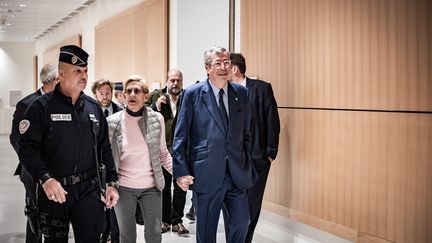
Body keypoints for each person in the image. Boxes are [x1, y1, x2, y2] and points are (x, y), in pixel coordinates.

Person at [18, 45, 119, 243]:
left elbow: (104, 148)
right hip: (55, 191)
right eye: (77, 71)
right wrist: (45, 179)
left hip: (88, 190)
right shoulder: (40, 108)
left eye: (86, 71)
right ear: (61, 74)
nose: (84, 76)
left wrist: (112, 183)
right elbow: (28, 150)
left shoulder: (93, 108)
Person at [173, 46, 257, 243]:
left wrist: (246, 161)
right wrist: (181, 171)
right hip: (206, 172)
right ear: (207, 67)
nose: (223, 67)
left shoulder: (241, 93)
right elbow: (180, 136)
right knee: (206, 231)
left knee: (241, 222)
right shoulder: (193, 94)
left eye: (226, 62)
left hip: (236, 173)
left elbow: (246, 133)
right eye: (218, 63)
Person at [107, 74, 172, 243]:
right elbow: (106, 158)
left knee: (154, 235)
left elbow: (163, 154)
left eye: (137, 91)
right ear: (123, 95)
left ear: (145, 96)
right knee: (127, 236)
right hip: (124, 187)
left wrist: (179, 174)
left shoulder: (157, 119)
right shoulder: (112, 122)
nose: (132, 94)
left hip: (151, 187)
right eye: (128, 91)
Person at [230, 53, 281, 243]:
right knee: (232, 208)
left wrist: (270, 154)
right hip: (232, 162)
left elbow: (272, 123)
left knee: (251, 208)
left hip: (257, 160)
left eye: (225, 65)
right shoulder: (223, 92)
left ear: (234, 68)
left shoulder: (261, 89)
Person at [9, 62, 58, 243]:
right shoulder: (27, 104)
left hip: (60, 171)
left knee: (57, 217)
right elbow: (17, 139)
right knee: (35, 216)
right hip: (34, 172)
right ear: (55, 79)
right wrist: (36, 164)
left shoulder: (64, 102)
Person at [148, 69, 189, 235]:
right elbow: (143, 114)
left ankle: (177, 221)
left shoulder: (188, 97)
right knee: (163, 188)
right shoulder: (156, 97)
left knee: (180, 188)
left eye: (178, 80)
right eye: (172, 80)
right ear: (167, 81)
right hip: (162, 151)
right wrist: (154, 106)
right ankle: (164, 221)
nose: (175, 83)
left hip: (182, 152)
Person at [91, 78, 122, 243]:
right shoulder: (91, 111)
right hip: (95, 164)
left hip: (115, 163)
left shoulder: (120, 110)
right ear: (95, 94)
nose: (105, 96)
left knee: (115, 203)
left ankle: (114, 236)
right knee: (99, 202)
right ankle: (103, 234)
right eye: (101, 93)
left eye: (107, 93)